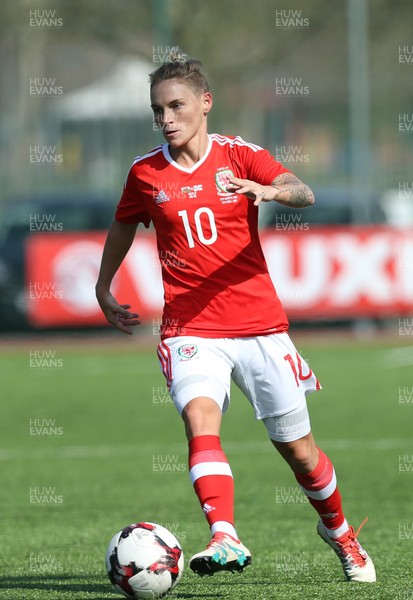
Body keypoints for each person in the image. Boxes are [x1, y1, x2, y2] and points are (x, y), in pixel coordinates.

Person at [95, 54, 376, 583]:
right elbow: (122, 226)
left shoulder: (239, 156)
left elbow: (304, 191)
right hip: (189, 329)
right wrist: (102, 286)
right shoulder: (144, 172)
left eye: (176, 106)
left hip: (260, 327)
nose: (167, 119)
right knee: (200, 420)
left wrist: (267, 191)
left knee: (299, 450)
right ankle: (224, 534)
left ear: (205, 103)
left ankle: (340, 533)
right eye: (158, 110)